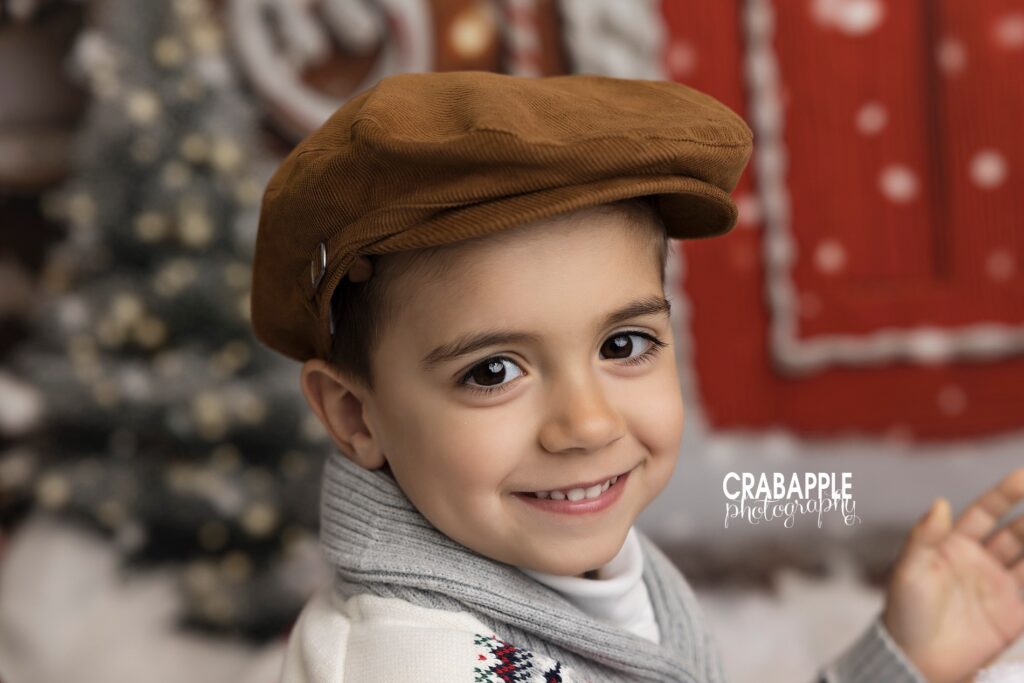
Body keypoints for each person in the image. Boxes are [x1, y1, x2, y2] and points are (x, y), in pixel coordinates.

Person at [249, 70, 1024, 682]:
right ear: (356, 415)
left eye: (622, 344)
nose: (587, 423)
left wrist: (897, 661)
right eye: (493, 370)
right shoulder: (428, 662)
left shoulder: (567, 566)